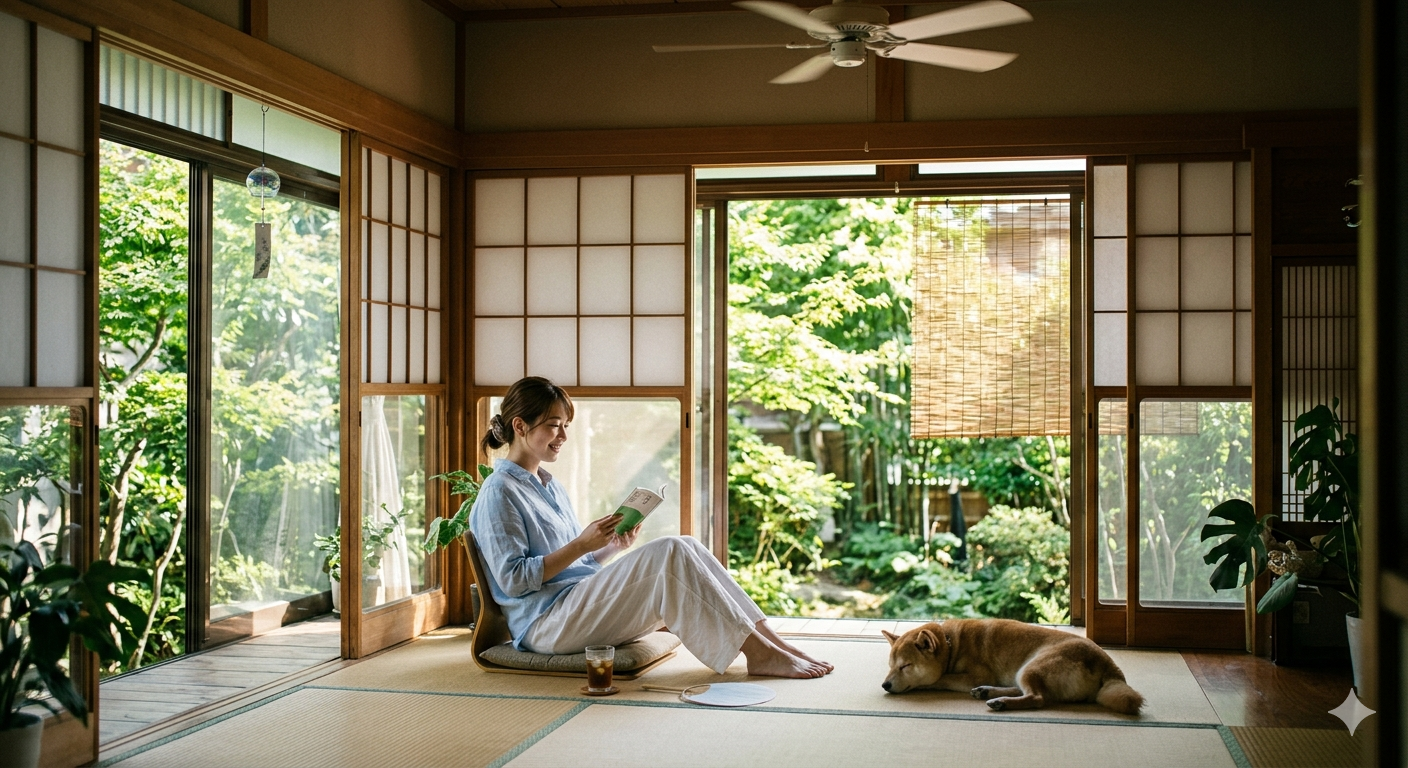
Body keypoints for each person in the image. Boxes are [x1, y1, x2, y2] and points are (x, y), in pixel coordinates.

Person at [470, 376, 832, 679]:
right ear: (520, 426)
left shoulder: (550, 485)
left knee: (685, 544)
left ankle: (773, 644)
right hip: (546, 625)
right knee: (669, 550)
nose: (563, 435)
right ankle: (760, 653)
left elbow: (573, 567)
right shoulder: (499, 491)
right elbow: (514, 580)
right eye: (553, 425)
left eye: (566, 425)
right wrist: (581, 545)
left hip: (574, 606)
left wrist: (610, 548)